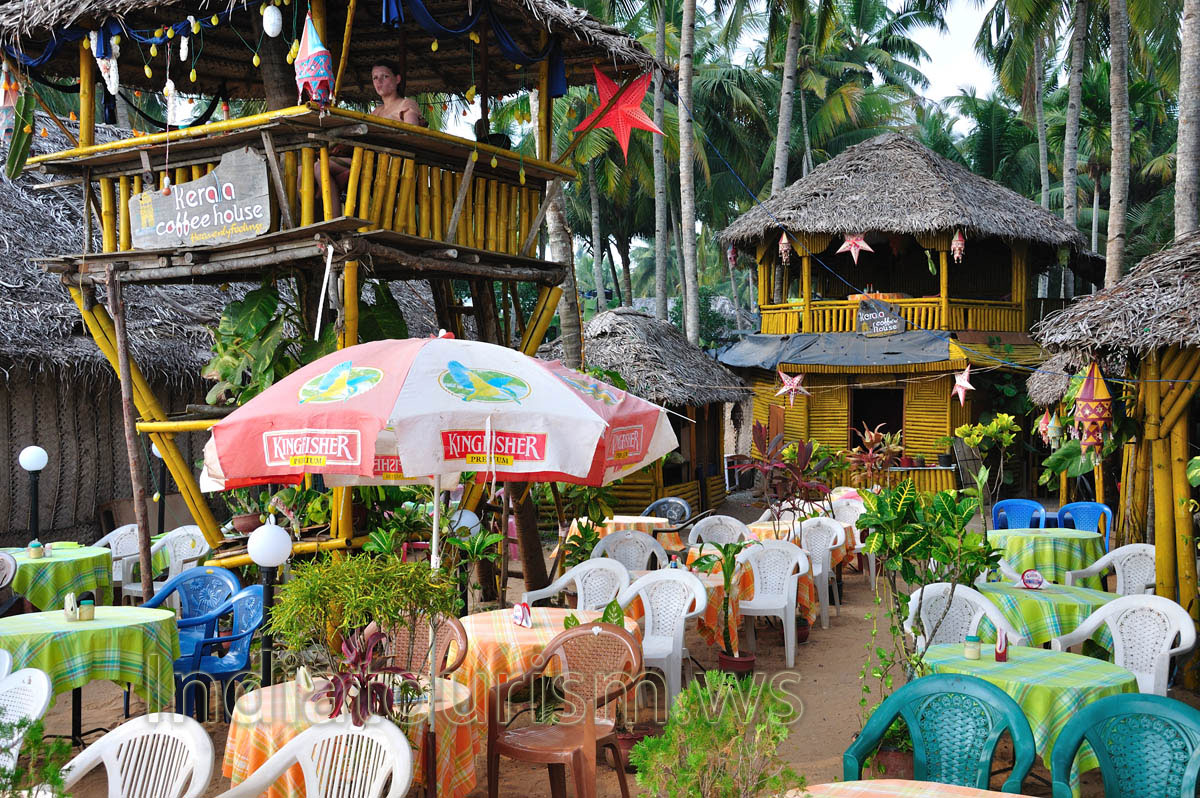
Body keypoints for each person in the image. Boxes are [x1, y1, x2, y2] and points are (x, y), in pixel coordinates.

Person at [319, 60, 425, 216]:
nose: (379, 81)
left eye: (385, 76)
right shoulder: (376, 112)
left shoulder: (406, 104)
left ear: (397, 79)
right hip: (370, 161)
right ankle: (325, 220)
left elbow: (412, 136)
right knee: (310, 169)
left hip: (391, 164)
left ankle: (332, 222)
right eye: (375, 78)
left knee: (320, 167)